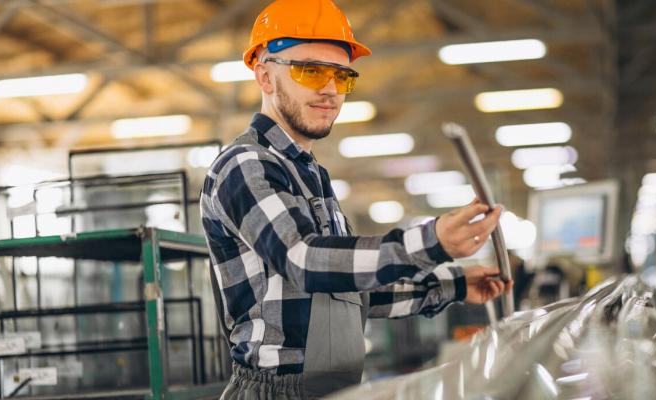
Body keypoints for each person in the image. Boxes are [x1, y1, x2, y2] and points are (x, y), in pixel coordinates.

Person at [200, 0, 513, 398]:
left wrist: (452, 285)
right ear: (264, 76)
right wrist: (431, 242)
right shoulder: (245, 165)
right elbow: (304, 260)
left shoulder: (312, 177)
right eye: (310, 71)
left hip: (331, 388)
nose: (330, 90)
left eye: (341, 75)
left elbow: (349, 295)